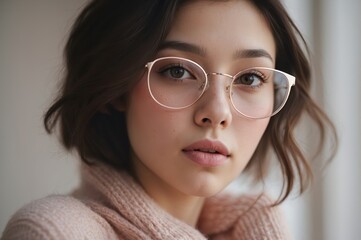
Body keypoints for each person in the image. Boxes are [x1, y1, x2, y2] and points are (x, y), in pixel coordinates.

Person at [1, 0, 337, 239]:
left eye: (250, 79)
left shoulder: (256, 228)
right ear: (117, 85)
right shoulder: (54, 232)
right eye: (177, 71)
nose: (217, 112)